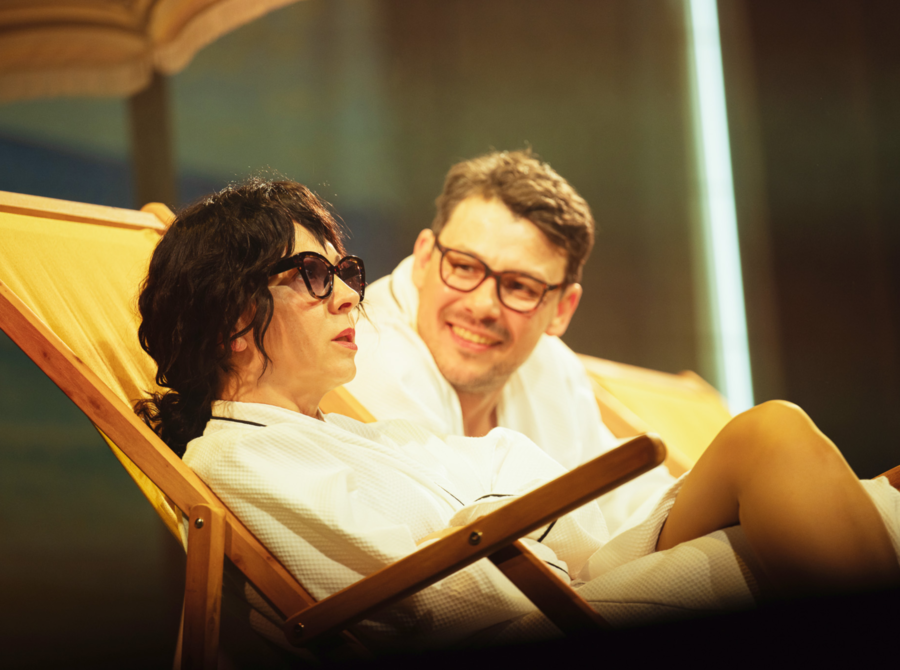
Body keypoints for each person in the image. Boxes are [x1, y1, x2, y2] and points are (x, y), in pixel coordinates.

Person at [135, 178, 900, 652]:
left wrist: (497, 521)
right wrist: (510, 530)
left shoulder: (345, 433)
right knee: (774, 450)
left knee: (777, 441)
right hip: (538, 613)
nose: (346, 296)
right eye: (312, 275)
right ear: (233, 321)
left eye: (345, 271)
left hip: (561, 578)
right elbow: (431, 610)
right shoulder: (239, 459)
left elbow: (512, 473)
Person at [346, 150, 672, 533]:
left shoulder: (553, 366)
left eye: (520, 286)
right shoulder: (366, 354)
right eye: (464, 266)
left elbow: (630, 501)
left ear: (562, 309)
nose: (483, 306)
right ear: (423, 259)